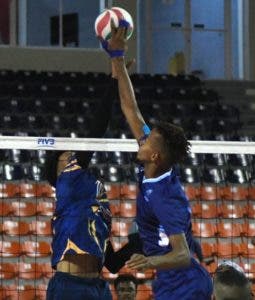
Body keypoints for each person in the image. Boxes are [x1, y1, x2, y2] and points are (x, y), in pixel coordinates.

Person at [101, 20, 213, 299]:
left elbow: (183, 255)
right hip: (168, 280)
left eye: (148, 139)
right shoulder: (153, 166)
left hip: (186, 283)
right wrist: (117, 57)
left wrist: (149, 261)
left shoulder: (167, 197)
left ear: (155, 155)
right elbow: (131, 109)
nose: (142, 137)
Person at [45, 60, 142, 300]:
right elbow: (96, 129)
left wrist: (138, 241)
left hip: (98, 288)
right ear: (57, 171)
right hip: (69, 286)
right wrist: (114, 79)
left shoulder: (98, 204)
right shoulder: (67, 183)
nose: (73, 157)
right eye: (67, 157)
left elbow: (112, 264)